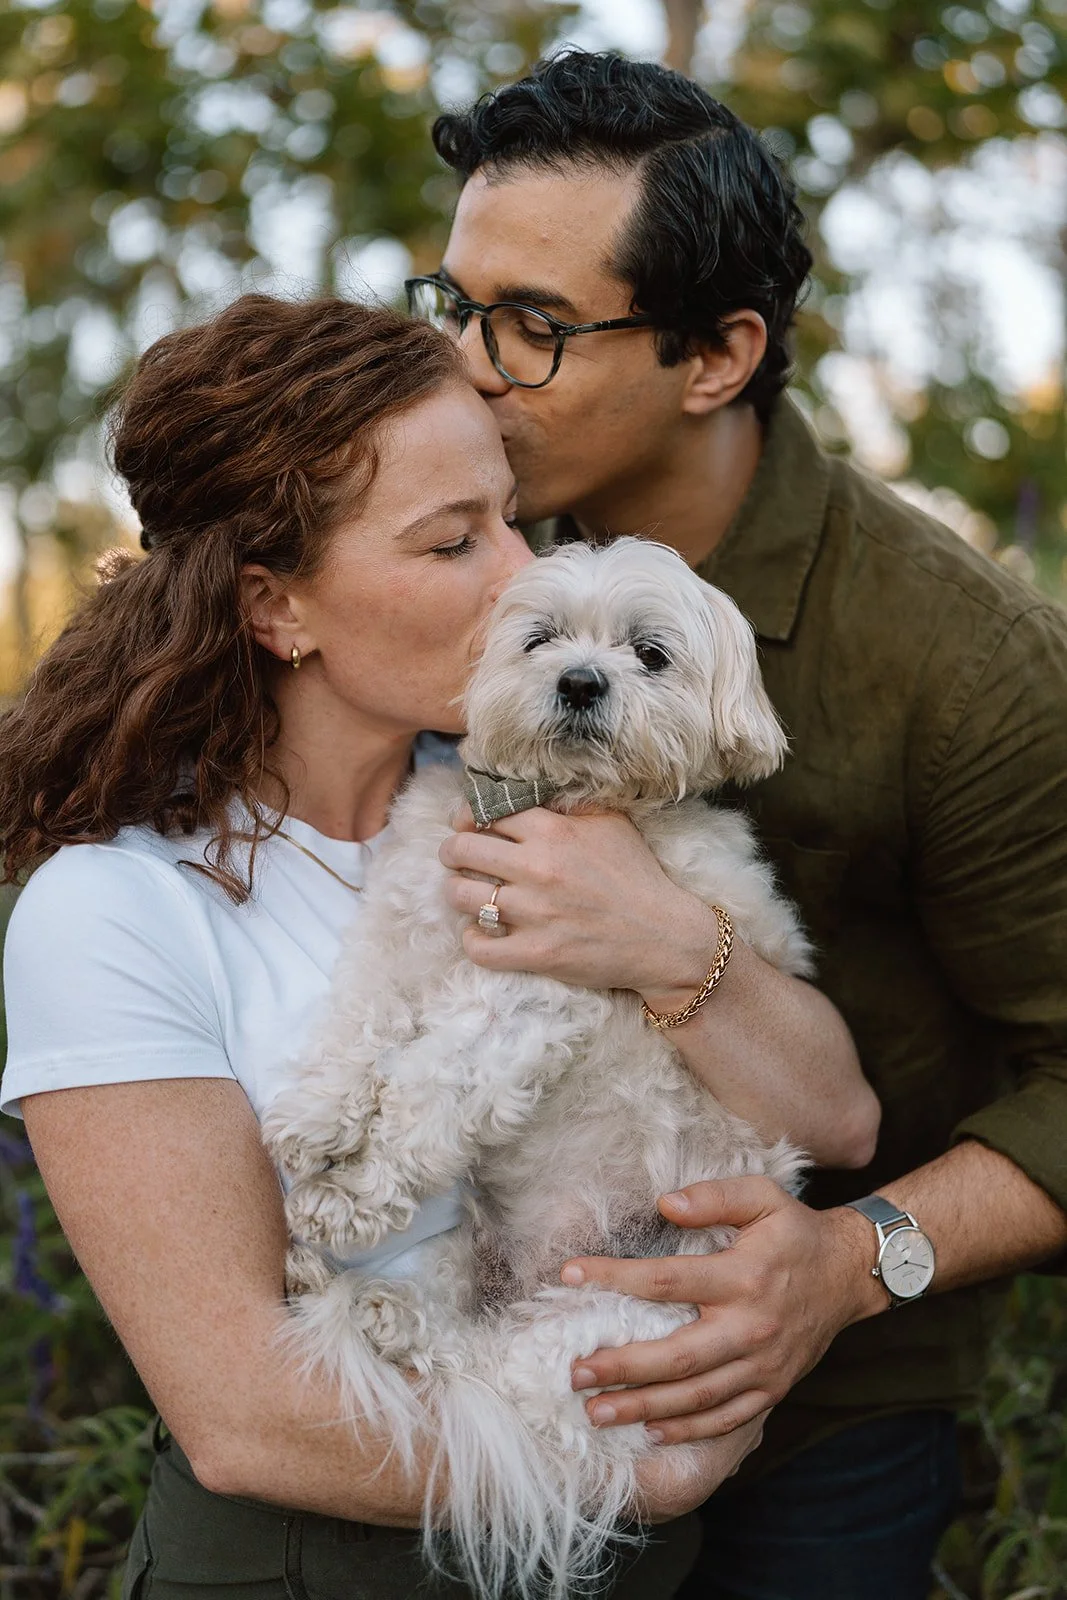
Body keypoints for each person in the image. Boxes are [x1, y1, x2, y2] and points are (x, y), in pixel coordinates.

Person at [0, 293, 875, 1599]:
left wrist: (668, 945)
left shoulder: (558, 805)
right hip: (316, 1563)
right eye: (452, 540)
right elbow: (242, 1419)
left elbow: (841, 1118)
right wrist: (655, 1468)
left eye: (509, 517)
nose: (521, 573)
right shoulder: (117, 908)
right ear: (276, 607)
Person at [407, 47, 1067, 1600]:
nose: (469, 368)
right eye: (454, 306)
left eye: (536, 329)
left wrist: (852, 1262)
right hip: (451, 1342)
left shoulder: (962, 665)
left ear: (716, 356)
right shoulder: (434, 555)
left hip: (814, 1406)